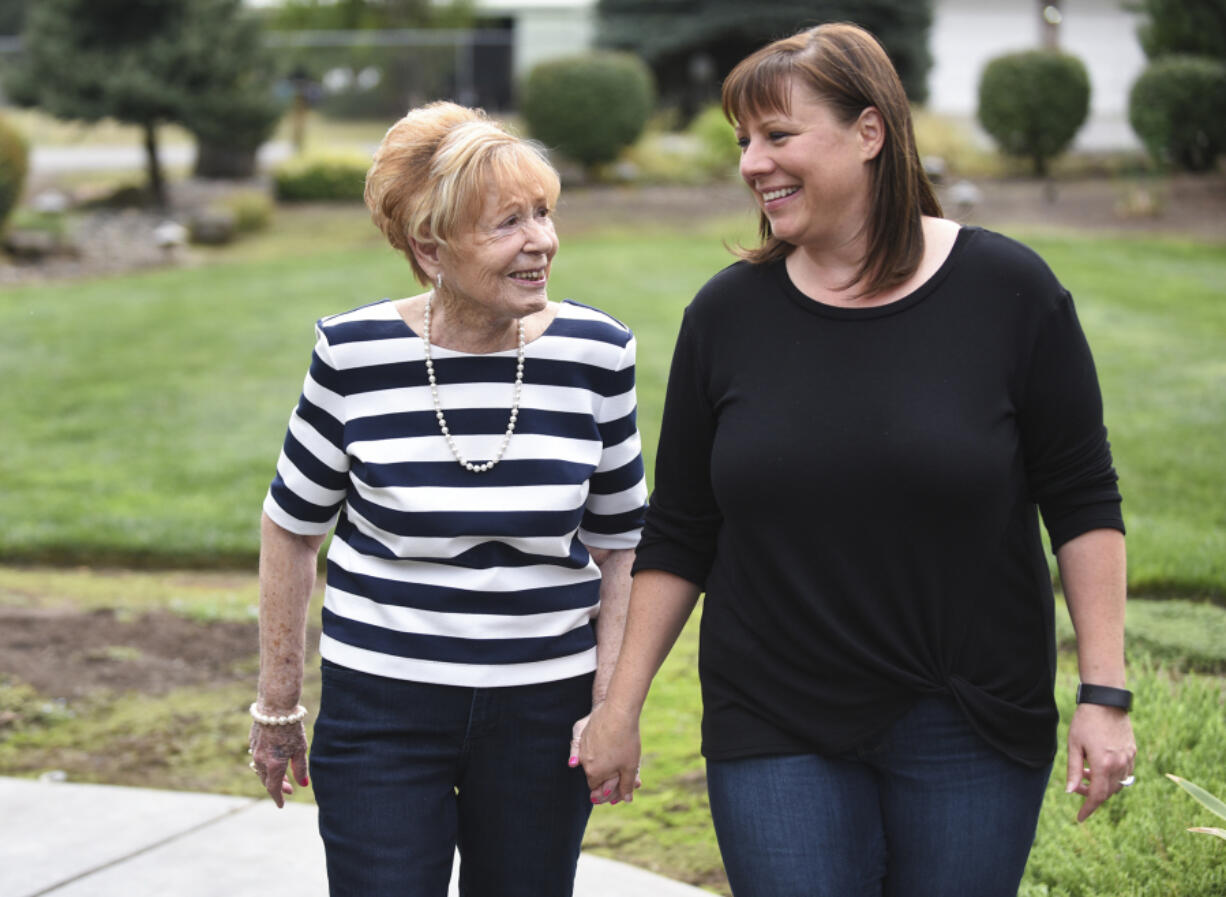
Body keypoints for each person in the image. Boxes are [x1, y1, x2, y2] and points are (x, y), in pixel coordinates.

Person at [579, 22, 1136, 897]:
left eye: (778, 136)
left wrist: (1105, 694)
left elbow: (1082, 499)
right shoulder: (727, 315)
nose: (752, 164)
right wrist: (620, 706)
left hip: (970, 717)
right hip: (773, 717)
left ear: (870, 133)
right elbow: (682, 528)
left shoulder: (1010, 293)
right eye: (742, 143)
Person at [247, 101, 648, 897]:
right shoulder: (353, 353)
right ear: (431, 247)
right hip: (382, 709)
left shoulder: (596, 354)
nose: (542, 241)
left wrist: (611, 706)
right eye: (508, 223)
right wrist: (279, 702)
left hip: (543, 712)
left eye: (543, 213)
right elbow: (293, 528)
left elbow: (620, 544)